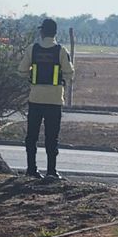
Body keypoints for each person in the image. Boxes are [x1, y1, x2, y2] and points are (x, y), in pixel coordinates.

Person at [18, 19, 74, 179]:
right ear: (55, 33)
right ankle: (51, 171)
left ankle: (31, 169)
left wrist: (32, 73)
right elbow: (70, 75)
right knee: (52, 137)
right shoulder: (61, 51)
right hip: (54, 100)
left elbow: (21, 71)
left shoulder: (32, 49)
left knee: (32, 136)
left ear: (42, 32)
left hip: (35, 99)